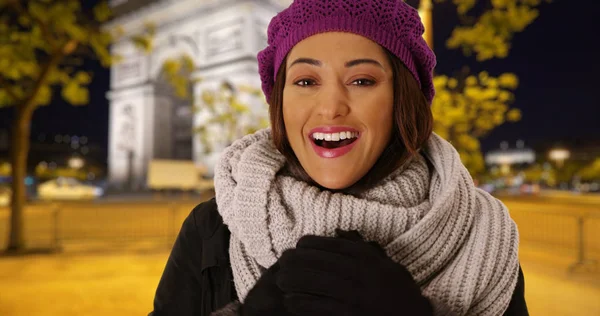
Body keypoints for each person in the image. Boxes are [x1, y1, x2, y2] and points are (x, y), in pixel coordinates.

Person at [149, 0, 529, 315]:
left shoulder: (482, 234)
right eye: (305, 82)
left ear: (403, 99)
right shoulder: (211, 227)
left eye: (362, 81)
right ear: (280, 100)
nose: (330, 107)